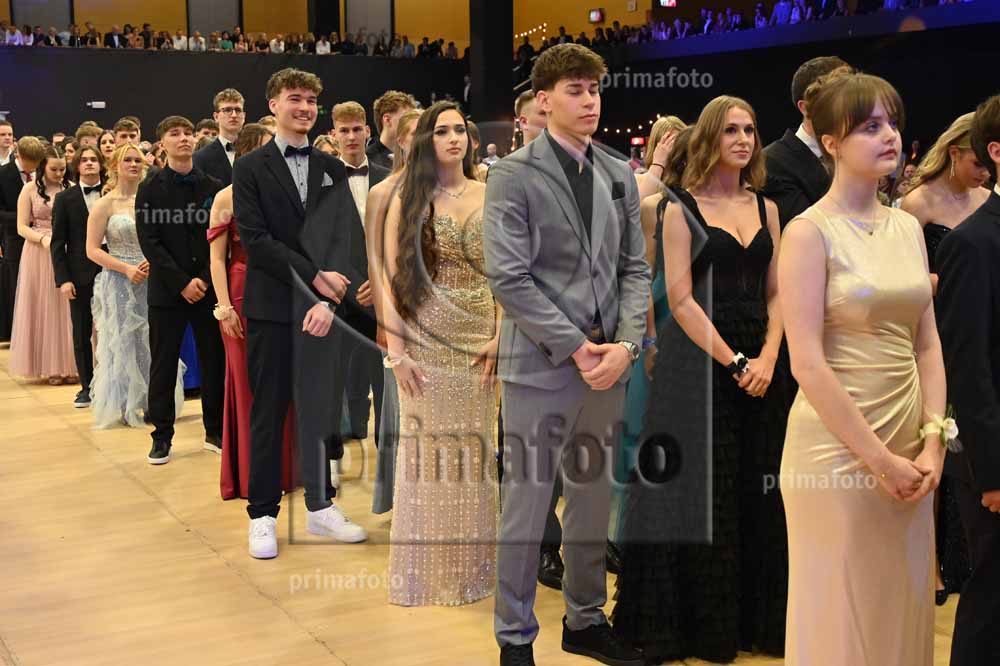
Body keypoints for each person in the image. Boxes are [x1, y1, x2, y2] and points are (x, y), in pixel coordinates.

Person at [484, 44, 648, 666]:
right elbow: (509, 277)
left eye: (595, 90)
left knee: (591, 502)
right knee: (526, 508)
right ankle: (514, 637)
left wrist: (626, 346)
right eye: (575, 90)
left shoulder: (618, 170)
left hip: (608, 366)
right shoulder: (511, 174)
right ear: (543, 100)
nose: (589, 101)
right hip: (541, 365)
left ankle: (585, 619)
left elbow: (635, 269)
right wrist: (578, 347)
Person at [613, 95, 787, 664]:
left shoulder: (767, 208)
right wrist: (735, 361)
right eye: (731, 130)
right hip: (698, 363)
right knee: (699, 490)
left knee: (758, 487)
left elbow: (778, 291)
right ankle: (697, 628)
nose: (744, 140)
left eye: (750, 130)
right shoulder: (678, 208)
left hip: (763, 362)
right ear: (710, 137)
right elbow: (681, 299)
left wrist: (768, 356)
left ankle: (756, 622)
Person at [779, 70, 940, 666]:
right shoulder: (808, 232)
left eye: (892, 123)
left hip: (911, 446)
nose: (889, 136)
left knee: (902, 600)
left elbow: (928, 345)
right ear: (831, 143)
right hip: (837, 451)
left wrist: (933, 442)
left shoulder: (907, 227)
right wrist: (879, 460)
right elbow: (806, 362)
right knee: (841, 609)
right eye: (870, 126)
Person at [233, 67, 368, 560]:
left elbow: (346, 239)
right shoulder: (250, 168)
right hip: (271, 309)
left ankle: (319, 506)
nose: (305, 107)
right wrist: (316, 279)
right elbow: (257, 241)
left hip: (323, 313)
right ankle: (262, 514)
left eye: (312, 100)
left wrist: (329, 302)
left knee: (320, 411)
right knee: (268, 412)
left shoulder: (332, 167)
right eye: (295, 98)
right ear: (273, 105)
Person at [380, 101, 498, 606]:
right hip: (426, 338)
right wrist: (397, 353)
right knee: (428, 453)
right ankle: (427, 571)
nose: (454, 139)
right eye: (442, 131)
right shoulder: (407, 197)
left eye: (460, 130)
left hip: (482, 339)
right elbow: (390, 280)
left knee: (476, 451)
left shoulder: (490, 193)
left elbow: (507, 273)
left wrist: (501, 334)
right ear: (425, 140)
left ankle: (472, 568)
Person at [937, 93, 1000, 666]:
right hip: (991, 457)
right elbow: (969, 368)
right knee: (991, 597)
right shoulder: (971, 244)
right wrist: (992, 472)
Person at [208, 123, 298, 500]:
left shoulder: (284, 192)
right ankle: (252, 477)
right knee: (248, 384)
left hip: (282, 290)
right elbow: (217, 258)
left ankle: (287, 472)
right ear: (247, 154)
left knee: (282, 381)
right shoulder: (225, 198)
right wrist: (224, 306)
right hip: (241, 290)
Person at [135, 116, 226, 463]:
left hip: (207, 288)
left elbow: (218, 237)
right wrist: (182, 282)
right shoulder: (150, 187)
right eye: (175, 134)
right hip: (167, 291)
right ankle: (161, 436)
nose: (184, 138)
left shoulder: (213, 185)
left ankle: (215, 430)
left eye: (188, 133)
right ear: (162, 143)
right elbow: (150, 241)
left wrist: (203, 278)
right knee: (163, 364)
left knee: (213, 361)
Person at [88, 143, 184, 427]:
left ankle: (155, 402)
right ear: (115, 165)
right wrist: (126, 269)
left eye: (137, 160)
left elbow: (166, 238)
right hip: (119, 280)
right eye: (127, 160)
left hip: (154, 278)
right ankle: (125, 402)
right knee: (122, 341)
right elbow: (92, 250)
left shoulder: (151, 199)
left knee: (154, 341)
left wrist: (156, 261)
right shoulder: (105, 204)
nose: (133, 164)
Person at [365, 108, 420, 515]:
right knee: (402, 408)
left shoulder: (455, 187)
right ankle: (404, 504)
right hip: (401, 316)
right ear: (400, 140)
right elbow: (378, 264)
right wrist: (387, 325)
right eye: (417, 133)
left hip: (451, 319)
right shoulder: (383, 192)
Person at [331, 101, 390, 446]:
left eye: (357, 129)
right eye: (344, 130)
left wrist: (381, 282)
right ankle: (349, 433)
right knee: (345, 370)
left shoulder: (388, 176)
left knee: (385, 373)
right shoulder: (322, 181)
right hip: (344, 293)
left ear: (368, 131)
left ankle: (387, 449)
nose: (351, 136)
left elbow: (398, 238)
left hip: (386, 292)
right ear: (333, 134)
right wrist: (355, 284)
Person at [902, 112, 990, 294]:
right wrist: (964, 284)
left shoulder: (989, 198)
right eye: (978, 164)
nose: (986, 173)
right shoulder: (918, 202)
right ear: (954, 153)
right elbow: (903, 274)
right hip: (937, 307)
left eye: (990, 165)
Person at [9, 145, 76, 382]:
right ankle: (49, 367)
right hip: (37, 252)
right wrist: (42, 239)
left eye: (62, 169)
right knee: (43, 305)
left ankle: (71, 365)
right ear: (43, 168)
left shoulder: (71, 188)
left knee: (65, 308)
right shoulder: (29, 189)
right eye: (53, 169)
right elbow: (21, 226)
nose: (59, 174)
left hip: (66, 251)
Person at [50, 146, 105, 407]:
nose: (89, 163)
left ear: (101, 164)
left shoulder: (112, 193)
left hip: (113, 270)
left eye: (94, 159)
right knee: (82, 333)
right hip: (79, 274)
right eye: (84, 160)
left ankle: (112, 384)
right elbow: (57, 243)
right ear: (77, 166)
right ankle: (86, 387)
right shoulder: (65, 199)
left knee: (114, 330)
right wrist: (63, 279)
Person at [0, 136, 45, 344]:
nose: (33, 168)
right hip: (14, 240)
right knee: (17, 287)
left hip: (43, 240)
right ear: (18, 155)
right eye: (29, 163)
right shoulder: (3, 174)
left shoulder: (44, 173)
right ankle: (19, 335)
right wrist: (23, 217)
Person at [194, 88, 246, 187]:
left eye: (238, 110)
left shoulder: (256, 151)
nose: (234, 115)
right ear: (216, 117)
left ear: (244, 116)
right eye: (227, 110)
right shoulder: (200, 158)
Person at [366, 90, 417, 171]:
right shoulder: (366, 160)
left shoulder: (414, 156)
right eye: (406, 118)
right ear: (387, 120)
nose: (412, 124)